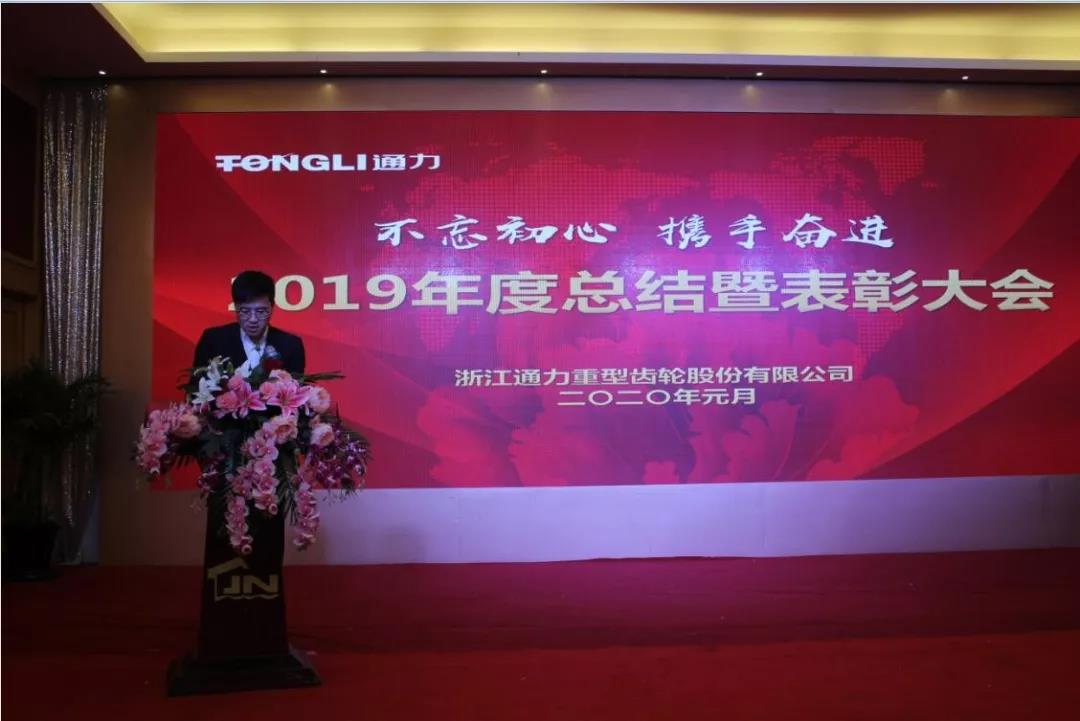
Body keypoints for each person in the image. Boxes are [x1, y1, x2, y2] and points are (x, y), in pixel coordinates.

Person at [192, 270, 305, 375]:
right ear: (235, 307)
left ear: (272, 307)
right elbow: (196, 386)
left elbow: (297, 388)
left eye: (260, 311)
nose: (253, 319)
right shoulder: (213, 341)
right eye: (245, 311)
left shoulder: (291, 345)